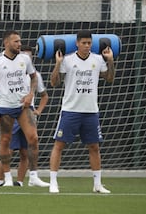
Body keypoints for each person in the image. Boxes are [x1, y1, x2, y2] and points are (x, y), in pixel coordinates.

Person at [49, 30, 115, 194]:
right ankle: (53, 182)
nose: (87, 46)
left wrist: (111, 61)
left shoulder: (98, 59)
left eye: (89, 43)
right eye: (84, 43)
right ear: (77, 43)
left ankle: (98, 184)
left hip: (91, 111)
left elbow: (110, 78)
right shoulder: (68, 60)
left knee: (94, 146)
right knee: (59, 145)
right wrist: (58, 63)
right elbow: (54, 82)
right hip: (70, 110)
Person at [0, 30, 45, 187]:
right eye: (16, 41)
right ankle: (6, 178)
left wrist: (30, 95)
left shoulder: (25, 59)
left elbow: (34, 78)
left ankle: (33, 177)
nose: (19, 44)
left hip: (23, 106)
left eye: (20, 41)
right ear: (6, 43)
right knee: (5, 141)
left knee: (33, 138)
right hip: (6, 106)